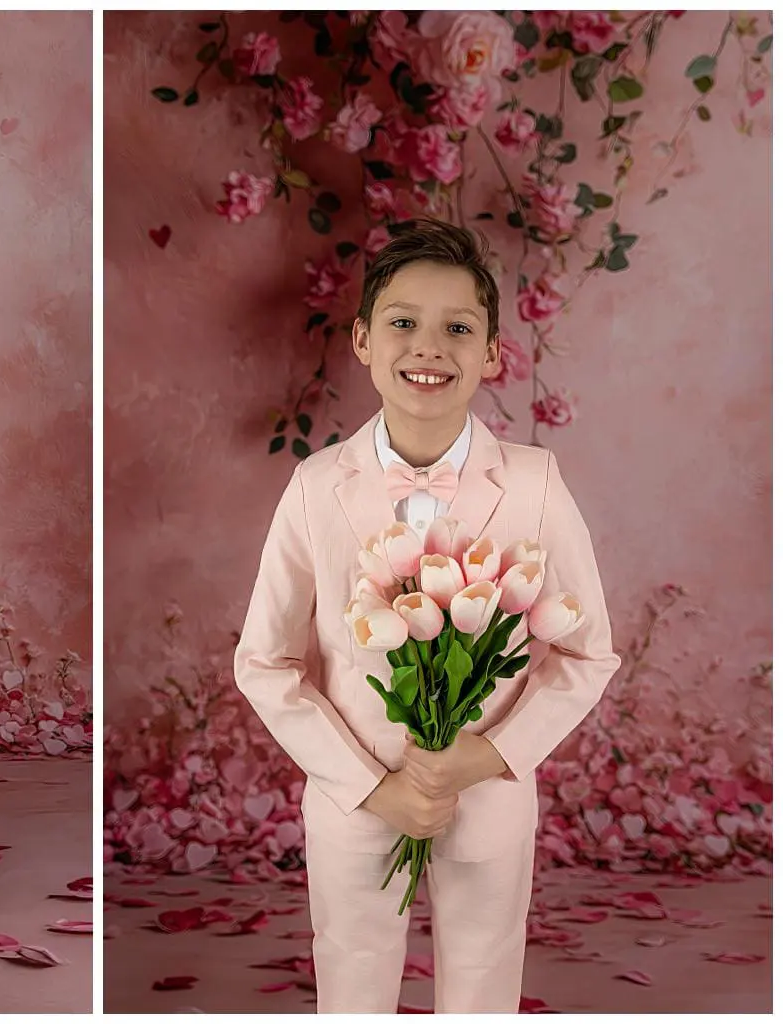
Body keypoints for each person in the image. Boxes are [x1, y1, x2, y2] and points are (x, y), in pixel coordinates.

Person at [234, 219, 618, 1013]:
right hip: (356, 797)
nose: (428, 347)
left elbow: (587, 655)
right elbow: (264, 662)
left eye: (457, 329)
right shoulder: (315, 486)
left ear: (491, 353)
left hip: (487, 797)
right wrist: (372, 785)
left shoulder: (537, 483)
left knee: (482, 977)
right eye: (404, 323)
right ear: (365, 341)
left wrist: (484, 756)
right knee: (352, 974)